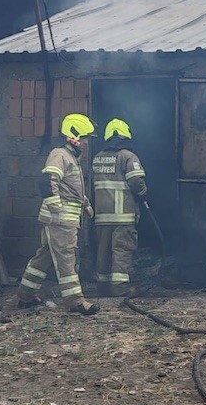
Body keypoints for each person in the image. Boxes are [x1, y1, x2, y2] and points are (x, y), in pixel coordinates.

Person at [18, 113, 100, 315]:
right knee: (66, 257)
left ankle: (25, 295)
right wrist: (57, 209)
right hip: (61, 220)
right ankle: (75, 301)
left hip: (63, 218)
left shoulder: (70, 157)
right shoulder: (60, 155)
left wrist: (86, 204)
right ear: (75, 136)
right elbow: (47, 181)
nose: (87, 143)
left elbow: (71, 188)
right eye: (86, 138)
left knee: (44, 256)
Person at [91, 118, 148, 296]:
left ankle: (102, 285)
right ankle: (120, 287)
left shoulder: (98, 157)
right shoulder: (128, 157)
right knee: (122, 249)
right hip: (123, 215)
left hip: (102, 215)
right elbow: (136, 182)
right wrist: (143, 194)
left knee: (104, 251)